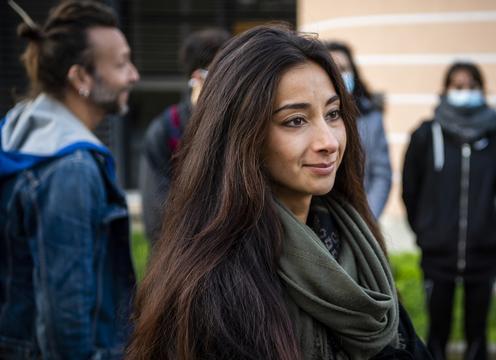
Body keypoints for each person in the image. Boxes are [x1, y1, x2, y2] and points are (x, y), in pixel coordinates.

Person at [126, 25, 429, 360]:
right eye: (296, 121)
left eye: (333, 114)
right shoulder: (214, 287)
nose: (328, 141)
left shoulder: (355, 241)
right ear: (243, 136)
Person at [0, 1, 139, 358]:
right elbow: (66, 326)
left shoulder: (18, 130)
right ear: (81, 78)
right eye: (121, 64)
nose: (134, 75)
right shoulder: (70, 169)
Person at [402, 62, 496, 360]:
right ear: (445, 90)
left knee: (478, 336)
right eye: (458, 86)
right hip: (439, 251)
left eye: (472, 86)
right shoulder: (425, 134)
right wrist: (425, 228)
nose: (465, 92)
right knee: (437, 334)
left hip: (483, 250)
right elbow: (411, 188)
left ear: (482, 90)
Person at [139, 28, 230, 244]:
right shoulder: (166, 130)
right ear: (198, 78)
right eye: (224, 73)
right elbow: (156, 215)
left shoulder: (240, 125)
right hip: (181, 258)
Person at [326, 42, 392, 219]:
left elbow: (381, 174)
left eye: (344, 68)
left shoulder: (371, 116)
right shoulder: (313, 117)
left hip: (360, 214)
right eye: (333, 68)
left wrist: (367, 217)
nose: (339, 74)